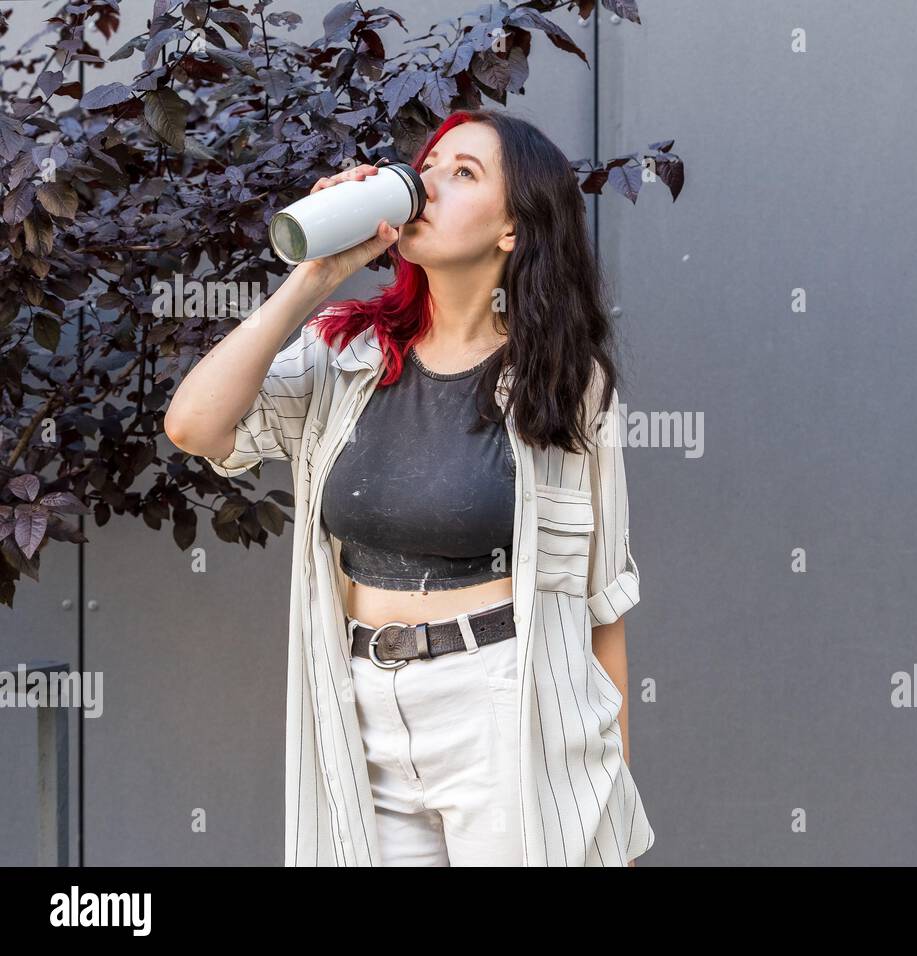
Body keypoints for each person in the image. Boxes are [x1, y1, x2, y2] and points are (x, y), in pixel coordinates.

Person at [164, 109, 652, 866]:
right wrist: (311, 279)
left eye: (465, 174)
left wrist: (609, 787)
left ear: (512, 230)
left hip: (505, 706)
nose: (430, 184)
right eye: (429, 167)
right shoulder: (346, 354)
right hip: (360, 703)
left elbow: (602, 603)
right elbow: (195, 426)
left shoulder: (563, 384)